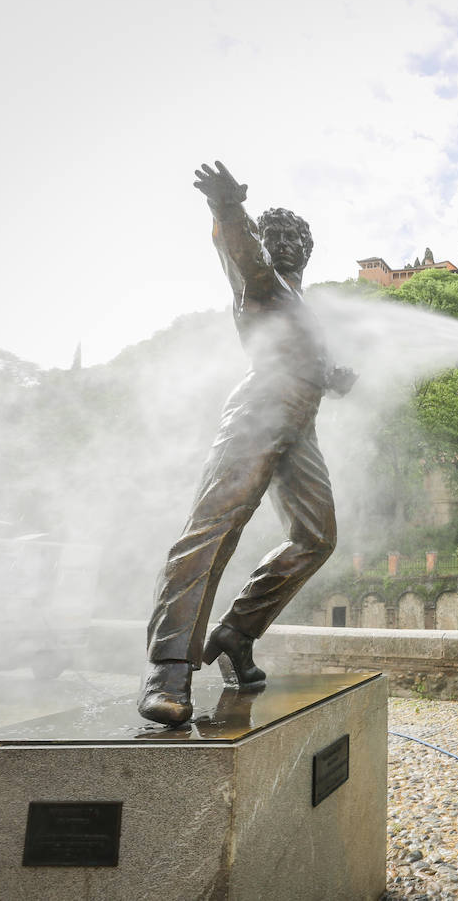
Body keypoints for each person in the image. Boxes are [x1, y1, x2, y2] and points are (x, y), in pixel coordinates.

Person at [139, 161, 356, 727]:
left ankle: (236, 632)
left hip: (300, 423)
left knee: (316, 537)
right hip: (259, 411)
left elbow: (305, 358)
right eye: (275, 234)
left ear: (307, 250)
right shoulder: (259, 279)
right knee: (213, 528)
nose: (283, 243)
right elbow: (242, 255)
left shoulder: (301, 303)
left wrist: (333, 379)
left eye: (294, 237)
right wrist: (228, 211)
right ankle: (168, 668)